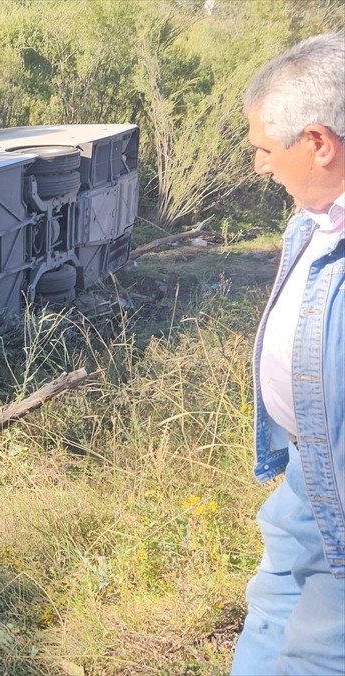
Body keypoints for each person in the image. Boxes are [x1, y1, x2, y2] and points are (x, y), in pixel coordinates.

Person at [232, 32, 345, 675]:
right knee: (273, 606)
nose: (259, 166)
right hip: (309, 471)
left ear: (319, 143)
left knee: (317, 653)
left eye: (266, 149)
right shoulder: (317, 219)